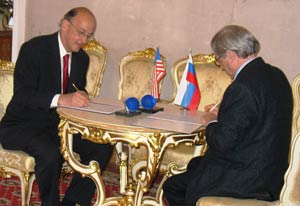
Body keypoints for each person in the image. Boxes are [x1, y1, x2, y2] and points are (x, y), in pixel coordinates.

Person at [163, 25, 293, 206]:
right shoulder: (277, 75)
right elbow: (257, 121)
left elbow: (222, 142)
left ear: (230, 54)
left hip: (247, 179)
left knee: (172, 187)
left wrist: (211, 121)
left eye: (219, 60)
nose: (221, 66)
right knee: (195, 166)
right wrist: (225, 114)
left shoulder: (241, 87)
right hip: (272, 173)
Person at [0, 7, 113, 206]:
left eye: (89, 35)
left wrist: (81, 96)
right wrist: (62, 99)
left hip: (57, 126)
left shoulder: (81, 58)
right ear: (65, 25)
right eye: (81, 33)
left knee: (102, 147)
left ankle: (72, 201)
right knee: (52, 152)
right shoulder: (33, 49)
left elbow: (75, 90)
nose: (84, 40)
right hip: (21, 125)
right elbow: (23, 95)